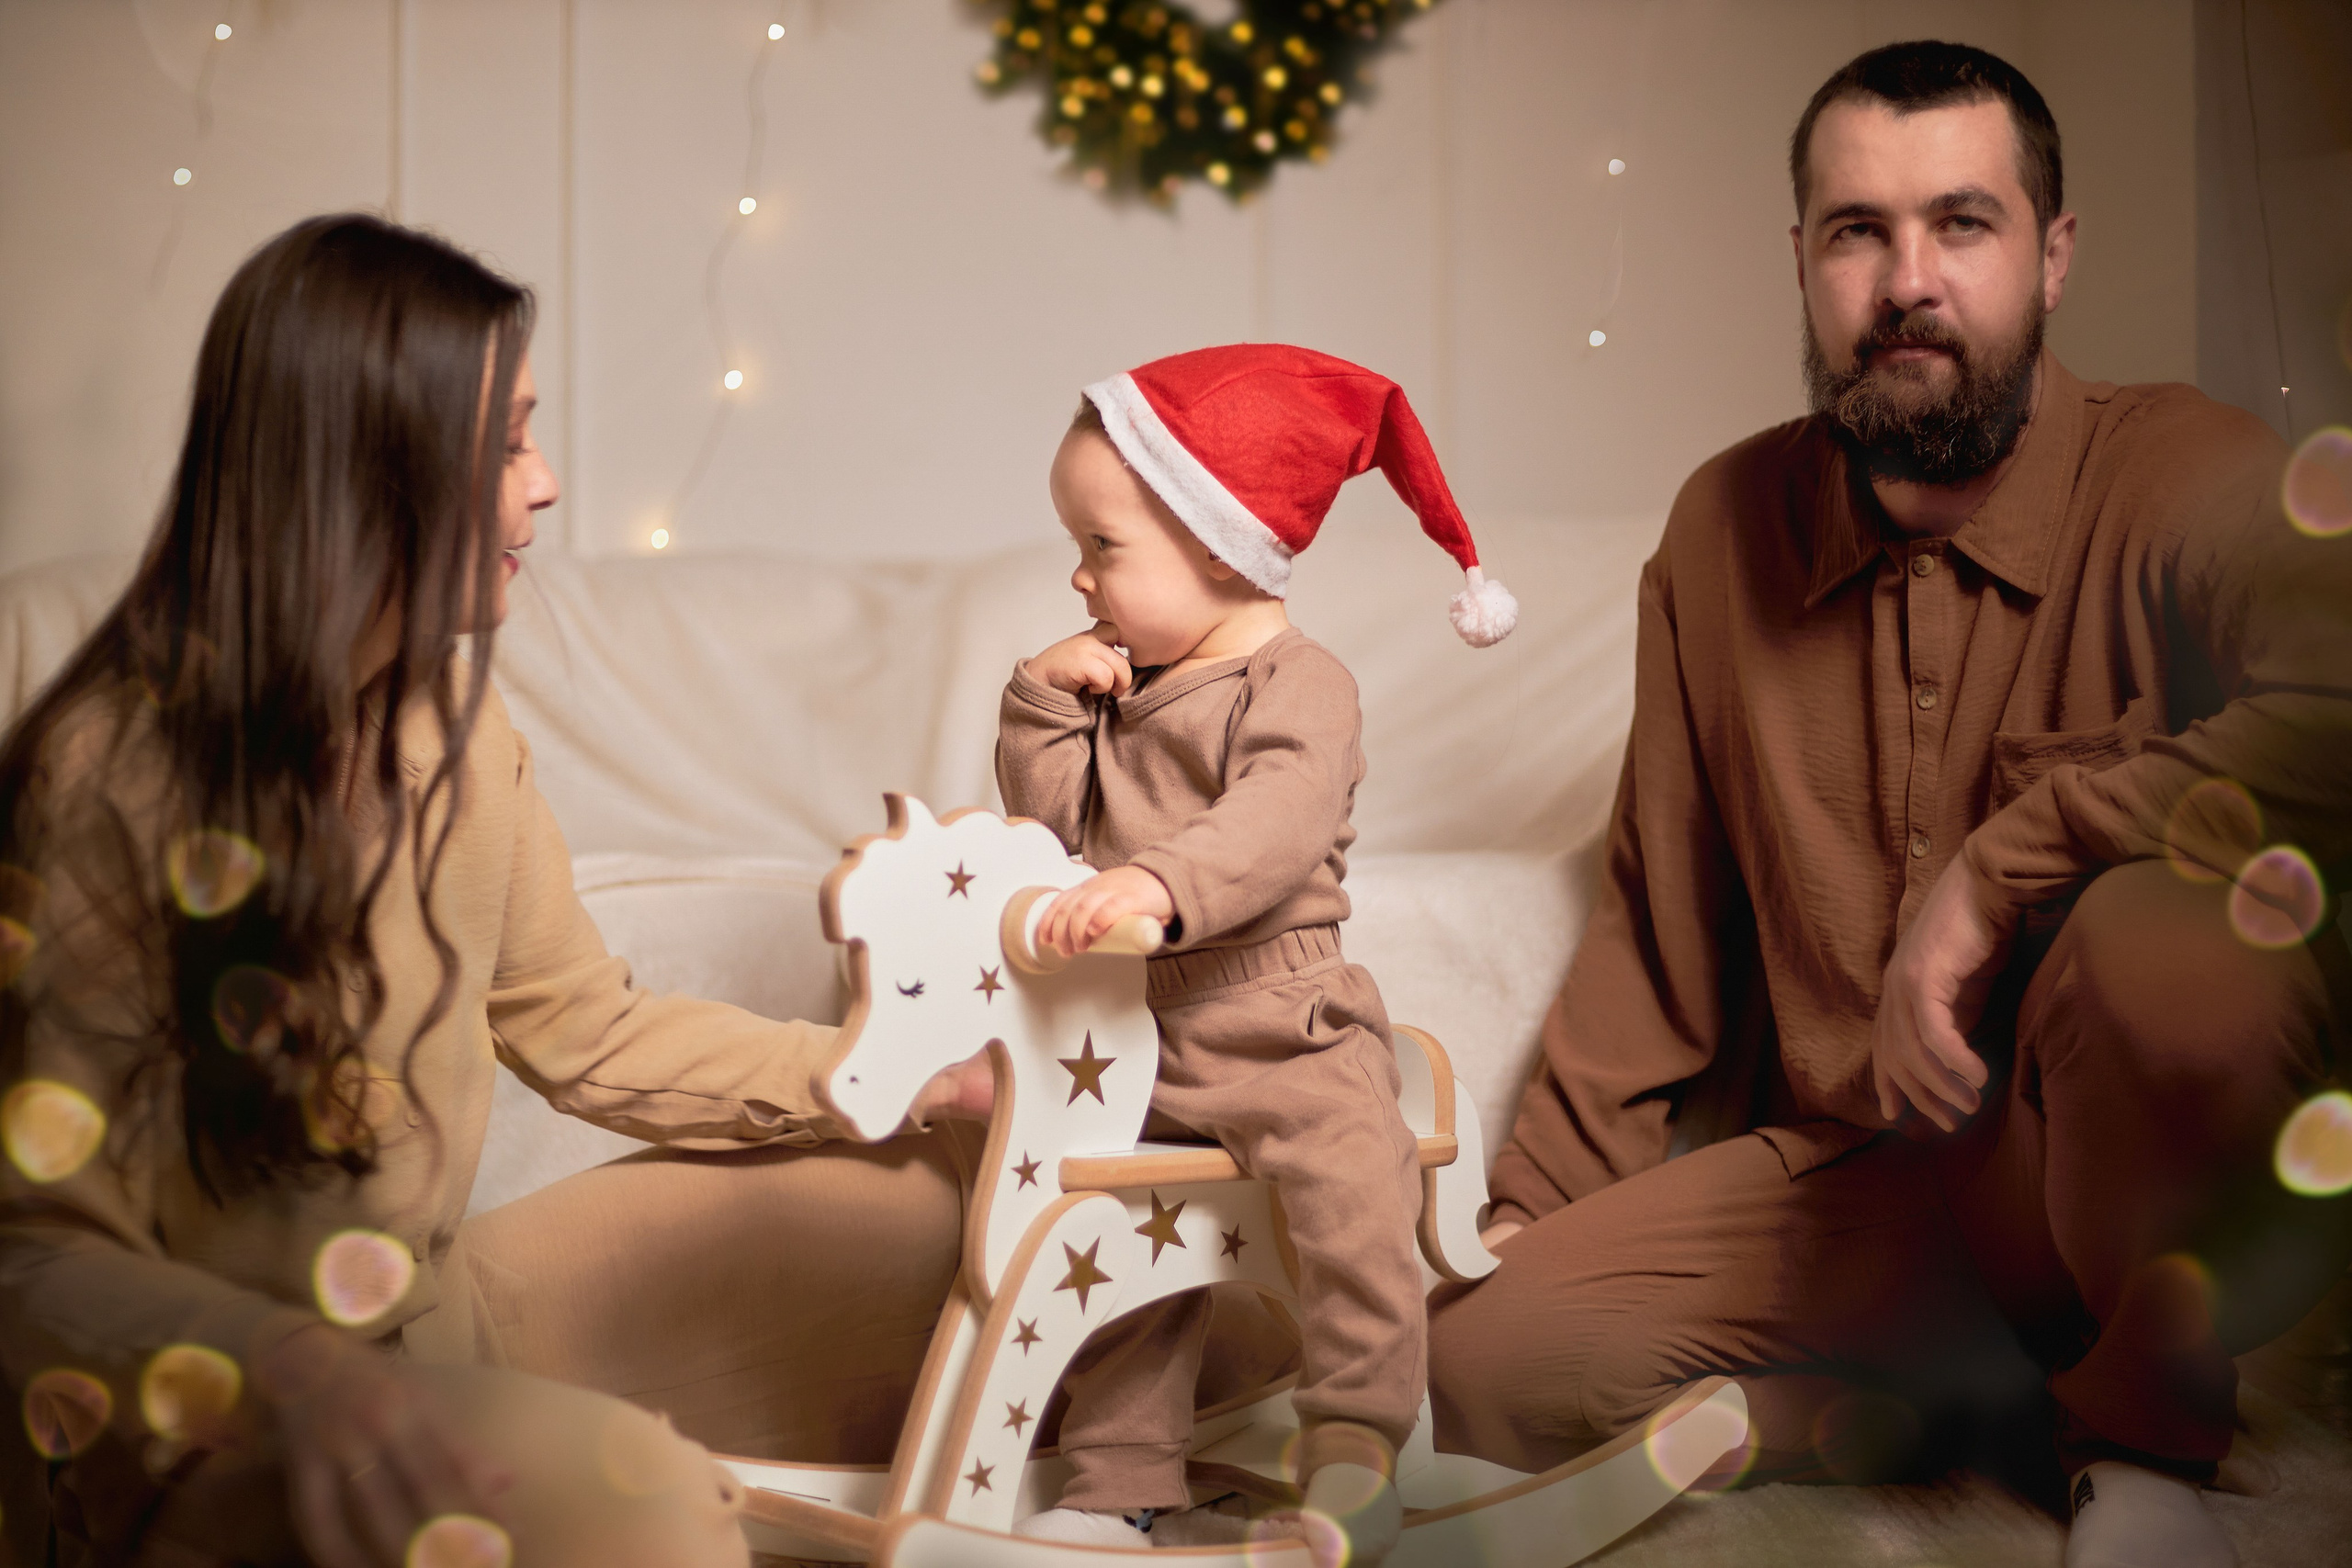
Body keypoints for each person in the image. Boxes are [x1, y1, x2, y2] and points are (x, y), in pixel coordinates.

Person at [1425, 39, 2351, 1568]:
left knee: (2165, 943)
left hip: (2130, 1171)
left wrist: (2000, 873)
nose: (1906, 279)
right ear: (1803, 262)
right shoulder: (1724, 527)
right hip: (1873, 1186)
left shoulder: (2196, 473)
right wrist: (1530, 1215)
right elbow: (1659, 931)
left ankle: (2138, 1444)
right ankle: (1971, 1414)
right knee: (1488, 1369)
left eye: (1962, 225)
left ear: (2052, 256)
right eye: (1859, 233)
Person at [0, 214, 993, 1568]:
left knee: (939, 1209)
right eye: (511, 441)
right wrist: (297, 1374)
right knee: (646, 1499)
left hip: (435, 1317)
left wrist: (887, 1071)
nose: (550, 482)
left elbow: (587, 1026)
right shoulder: (106, 774)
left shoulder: (448, 725)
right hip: (216, 1431)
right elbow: (35, 1250)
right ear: (369, 475)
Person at [993, 344, 1517, 1563]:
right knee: (1118, 1238)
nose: (1079, 576)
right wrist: (1043, 710)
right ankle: (1121, 1475)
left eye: (1104, 546)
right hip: (1138, 1034)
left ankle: (1355, 1449)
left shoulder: (1300, 685)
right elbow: (1047, 831)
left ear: (1219, 544)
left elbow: (1273, 827)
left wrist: (1159, 883)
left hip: (1279, 1018)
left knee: (1354, 1190)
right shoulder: (1121, 684)